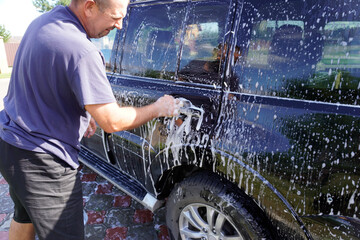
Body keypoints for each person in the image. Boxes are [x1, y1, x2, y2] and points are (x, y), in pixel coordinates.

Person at [0, 0, 180, 239]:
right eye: (116, 17)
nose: (119, 26)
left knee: (24, 215)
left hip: (10, 144)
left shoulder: (43, 23)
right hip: (43, 163)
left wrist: (84, 111)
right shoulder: (82, 50)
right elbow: (112, 122)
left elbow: (45, 79)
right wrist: (158, 107)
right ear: (89, 6)